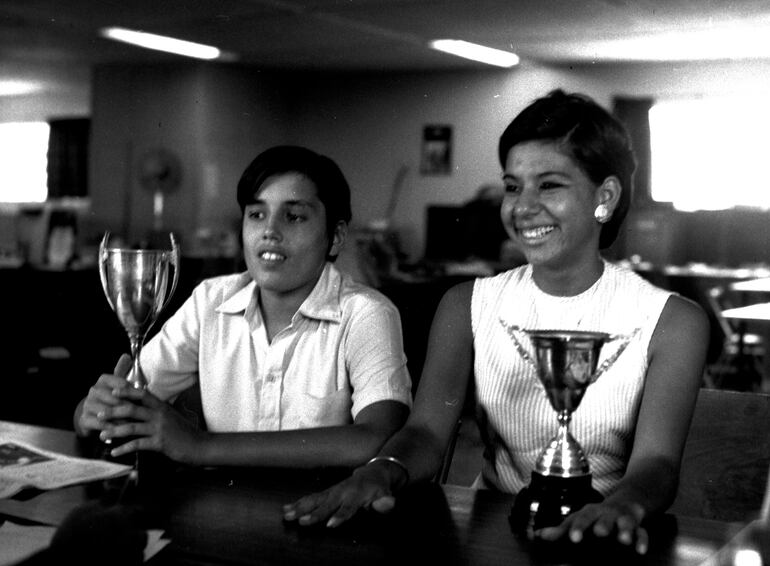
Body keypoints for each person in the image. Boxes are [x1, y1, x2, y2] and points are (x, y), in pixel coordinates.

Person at [282, 91, 709, 555]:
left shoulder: (672, 321)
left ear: (604, 197)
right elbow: (426, 433)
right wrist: (381, 469)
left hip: (606, 541)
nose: (522, 207)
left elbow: (657, 464)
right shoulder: (466, 304)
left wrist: (620, 508)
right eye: (512, 186)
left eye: (548, 185)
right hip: (493, 535)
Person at [73, 145, 412, 468]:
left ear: (335, 236)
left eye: (293, 216)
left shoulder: (366, 313)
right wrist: (96, 411)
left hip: (322, 511)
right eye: (256, 214)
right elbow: (130, 402)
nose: (269, 231)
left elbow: (377, 437)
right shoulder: (211, 301)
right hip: (222, 510)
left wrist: (199, 446)